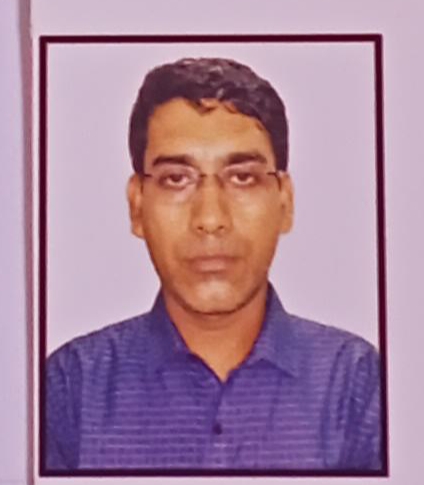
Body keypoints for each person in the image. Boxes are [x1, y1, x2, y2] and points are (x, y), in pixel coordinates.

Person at [45, 57, 381, 471]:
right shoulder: (70, 390)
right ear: (137, 206)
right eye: (176, 179)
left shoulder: (357, 387)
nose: (210, 218)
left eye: (242, 177)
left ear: (285, 201)